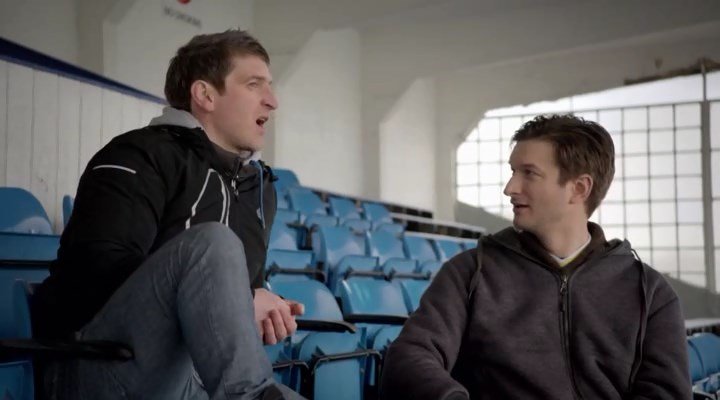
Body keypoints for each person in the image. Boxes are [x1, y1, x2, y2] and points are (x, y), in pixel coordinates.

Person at [32, 29, 305, 400]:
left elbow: (240, 297)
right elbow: (94, 273)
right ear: (205, 95)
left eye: (269, 87)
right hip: (95, 366)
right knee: (213, 242)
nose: (272, 101)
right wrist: (241, 299)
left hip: (196, 380)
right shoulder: (137, 154)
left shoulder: (257, 188)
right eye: (254, 85)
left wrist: (260, 308)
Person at [380, 114, 691, 399]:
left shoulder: (650, 292)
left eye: (529, 173)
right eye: (513, 172)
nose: (510, 188)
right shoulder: (471, 272)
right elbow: (410, 356)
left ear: (579, 188)